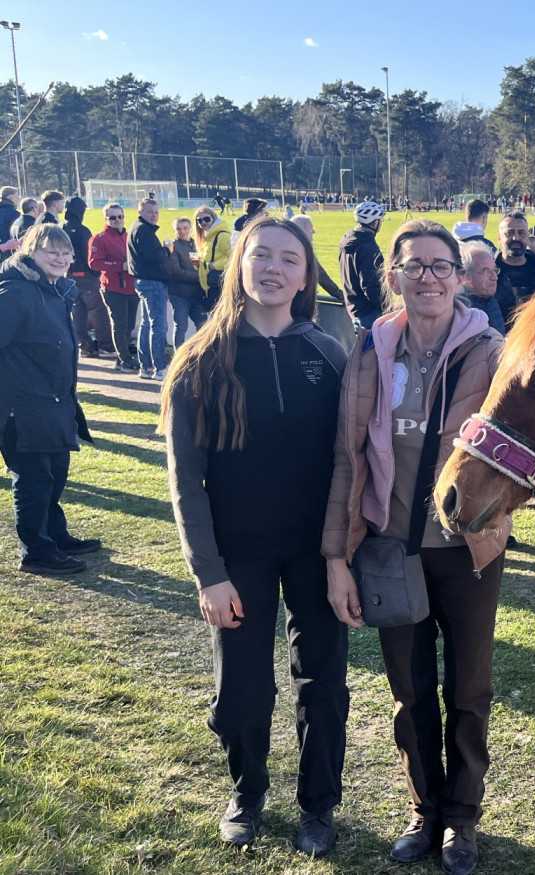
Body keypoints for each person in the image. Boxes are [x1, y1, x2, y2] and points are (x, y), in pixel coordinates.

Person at [322, 219, 508, 874]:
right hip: (390, 546)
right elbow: (348, 461)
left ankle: (462, 816)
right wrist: (337, 555)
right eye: (414, 265)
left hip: (466, 548)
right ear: (393, 276)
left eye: (440, 265)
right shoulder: (370, 349)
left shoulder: (490, 350)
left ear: (460, 278)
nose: (427, 276)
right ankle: (424, 807)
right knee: (409, 689)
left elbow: (518, 447)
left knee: (469, 685)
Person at [161, 217, 349, 854]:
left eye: (289, 259)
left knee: (322, 683)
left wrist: (342, 553)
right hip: (236, 556)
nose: (274, 268)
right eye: (260, 255)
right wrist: (207, 571)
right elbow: (185, 480)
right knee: (242, 693)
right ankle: (247, 790)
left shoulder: (329, 354)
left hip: (316, 552)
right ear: (237, 264)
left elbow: (350, 462)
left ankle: (319, 804)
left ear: (305, 275)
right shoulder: (199, 360)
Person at [0, 225, 101, 575]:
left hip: (55, 401)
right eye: (50, 251)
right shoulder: (16, 292)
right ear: (30, 251)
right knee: (34, 478)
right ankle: (37, 551)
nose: (59, 258)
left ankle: (54, 535)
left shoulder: (56, 290)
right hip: (23, 407)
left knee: (56, 473)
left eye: (65, 252)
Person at [90, 202, 139, 372]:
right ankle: (125, 359)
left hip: (132, 287)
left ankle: (122, 355)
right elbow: (94, 263)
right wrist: (120, 266)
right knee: (120, 324)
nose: (117, 220)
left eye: (120, 216)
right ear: (106, 219)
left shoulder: (129, 236)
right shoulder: (99, 238)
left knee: (130, 324)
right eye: (113, 217)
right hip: (113, 287)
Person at [126, 198, 172, 381]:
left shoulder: (137, 228)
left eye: (156, 212)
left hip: (142, 281)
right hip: (152, 282)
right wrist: (168, 250)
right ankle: (159, 367)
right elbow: (155, 256)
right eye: (149, 212)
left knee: (146, 324)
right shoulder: (143, 230)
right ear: (140, 213)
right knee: (158, 326)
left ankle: (145, 366)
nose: (154, 216)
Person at [63, 196, 114, 358]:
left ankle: (84, 346)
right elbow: (89, 256)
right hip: (86, 276)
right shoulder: (83, 230)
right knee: (99, 310)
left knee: (78, 312)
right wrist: (96, 274)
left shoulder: (60, 228)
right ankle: (106, 346)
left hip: (68, 275)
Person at [495, 212, 535, 324]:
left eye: (521, 233)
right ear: (499, 238)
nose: (516, 238)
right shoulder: (488, 273)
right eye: (509, 233)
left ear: (527, 238)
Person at [340, 201, 388, 329]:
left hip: (354, 309)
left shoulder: (348, 241)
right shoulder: (368, 248)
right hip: (370, 313)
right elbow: (372, 285)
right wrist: (388, 307)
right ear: (375, 222)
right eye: (380, 220)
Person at [166, 217, 206, 347]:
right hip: (179, 293)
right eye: (178, 228)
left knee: (203, 325)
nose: (182, 231)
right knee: (181, 326)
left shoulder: (199, 244)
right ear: (174, 230)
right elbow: (176, 271)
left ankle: (200, 354)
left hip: (197, 294)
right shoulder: (172, 246)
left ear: (191, 229)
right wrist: (200, 277)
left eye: (185, 228)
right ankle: (178, 357)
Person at [290, 214, 344, 301]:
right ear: (302, 230)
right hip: (299, 300)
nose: (314, 231)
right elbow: (320, 275)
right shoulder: (304, 250)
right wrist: (340, 294)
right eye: (311, 228)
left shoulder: (285, 246)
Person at [457, 240, 506, 334]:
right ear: (466, 275)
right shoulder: (460, 311)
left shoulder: (490, 301)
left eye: (494, 270)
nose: (494, 277)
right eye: (487, 271)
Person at [193, 205, 232, 313]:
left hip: (219, 284)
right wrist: (199, 264)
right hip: (210, 285)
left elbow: (233, 258)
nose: (203, 222)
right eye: (199, 221)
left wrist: (213, 265)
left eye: (206, 219)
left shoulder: (222, 235)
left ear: (213, 218)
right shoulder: (208, 237)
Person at [0, 186, 20, 252]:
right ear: (10, 197)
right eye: (17, 196)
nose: (18, 198)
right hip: (10, 248)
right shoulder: (14, 214)